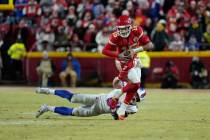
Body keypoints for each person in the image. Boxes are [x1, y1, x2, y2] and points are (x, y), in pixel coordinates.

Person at [102, 15, 153, 120]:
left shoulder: (137, 30)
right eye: (121, 29)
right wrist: (118, 55)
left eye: (126, 28)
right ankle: (118, 101)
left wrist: (135, 50)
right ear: (117, 28)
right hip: (124, 61)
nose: (124, 31)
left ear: (130, 26)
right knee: (136, 83)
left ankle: (119, 101)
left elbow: (150, 45)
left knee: (135, 86)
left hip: (135, 59)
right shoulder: (115, 36)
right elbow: (104, 51)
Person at [35, 86, 146, 120]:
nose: (134, 98)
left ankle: (47, 108)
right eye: (135, 95)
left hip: (98, 111)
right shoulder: (123, 91)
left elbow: (117, 117)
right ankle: (48, 91)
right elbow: (111, 98)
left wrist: (115, 114)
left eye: (137, 98)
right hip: (98, 99)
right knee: (72, 98)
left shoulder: (133, 109)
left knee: (73, 112)